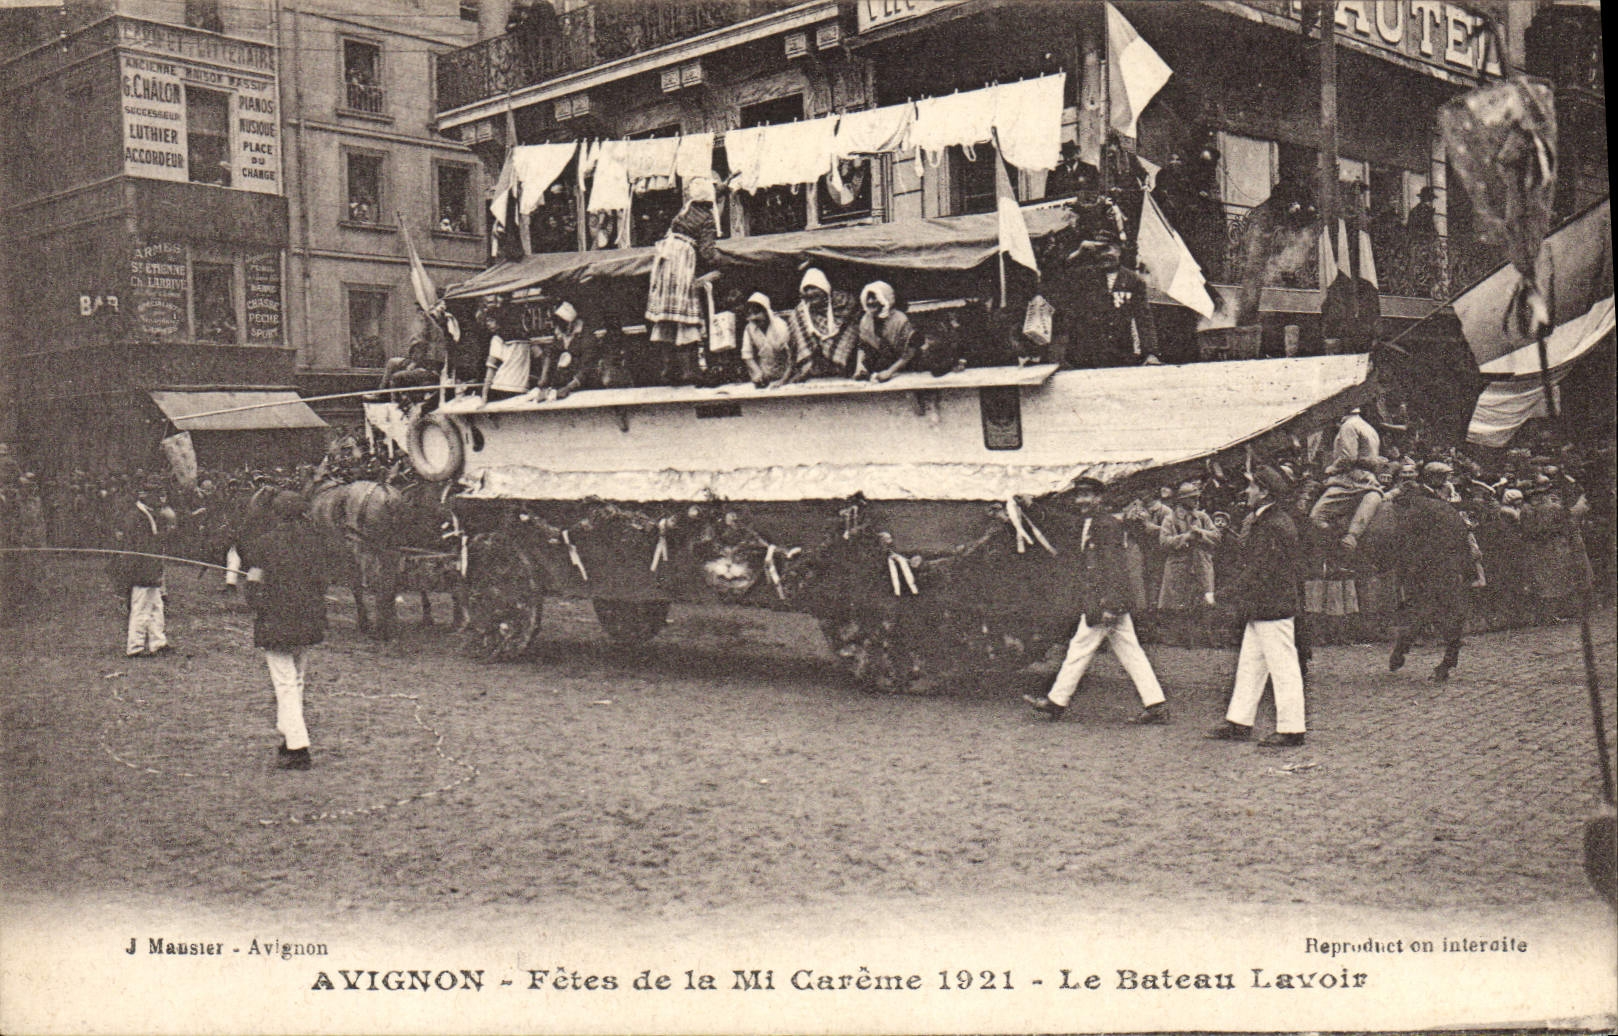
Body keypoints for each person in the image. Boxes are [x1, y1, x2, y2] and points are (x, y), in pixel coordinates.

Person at [1022, 477, 1171, 726]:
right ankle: (1156, 705)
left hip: (1105, 603)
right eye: (1079, 496)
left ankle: (1056, 702)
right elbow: (1062, 522)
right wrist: (1031, 506)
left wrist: (1111, 605)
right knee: (1131, 653)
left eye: (1087, 496)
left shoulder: (1107, 525)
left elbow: (1115, 568)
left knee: (1080, 648)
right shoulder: (1091, 522)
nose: (1081, 501)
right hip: (1107, 603)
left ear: (1099, 498)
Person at [1206, 465, 1307, 748]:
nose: (1247, 491)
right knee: (1251, 665)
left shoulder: (1271, 525)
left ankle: (1292, 729)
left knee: (1283, 667)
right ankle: (1239, 721)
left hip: (1271, 607)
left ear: (1264, 492)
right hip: (1265, 607)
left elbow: (1259, 571)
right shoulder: (1272, 521)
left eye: (1251, 487)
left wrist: (1224, 595)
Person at [243, 490, 329, 771]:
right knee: (297, 680)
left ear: (276, 514)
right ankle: (287, 733)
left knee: (285, 684)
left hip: (276, 621)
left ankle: (298, 747)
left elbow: (254, 585)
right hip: (308, 619)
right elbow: (322, 581)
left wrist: (258, 605)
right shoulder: (315, 542)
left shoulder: (263, 544)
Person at [1386, 462, 1472, 682]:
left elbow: (1402, 541)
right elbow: (1461, 536)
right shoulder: (1442, 505)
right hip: (1449, 567)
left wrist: (1406, 567)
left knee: (1419, 611)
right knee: (1448, 613)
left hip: (1427, 569)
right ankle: (1447, 659)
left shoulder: (1414, 509)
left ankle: (1401, 651)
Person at [646, 176, 720, 386]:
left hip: (666, 257)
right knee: (685, 314)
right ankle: (690, 370)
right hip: (682, 261)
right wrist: (722, 261)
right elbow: (707, 252)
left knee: (667, 315)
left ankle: (669, 369)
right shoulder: (706, 217)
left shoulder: (685, 210)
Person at [1309, 406, 1386, 551]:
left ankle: (1335, 547)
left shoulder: (1348, 426)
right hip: (1367, 478)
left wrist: (1331, 469)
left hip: (1351, 481)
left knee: (1317, 517)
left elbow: (1348, 457)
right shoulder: (1368, 427)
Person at [112, 480, 173, 658]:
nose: (161, 499)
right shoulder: (136, 516)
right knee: (141, 607)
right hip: (141, 569)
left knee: (156, 606)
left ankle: (158, 643)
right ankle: (135, 647)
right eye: (158, 495)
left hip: (151, 567)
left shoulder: (149, 514)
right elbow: (140, 546)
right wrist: (164, 536)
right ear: (146, 496)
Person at [784, 267, 857, 380]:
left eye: (814, 288)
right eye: (806, 289)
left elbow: (853, 330)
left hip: (843, 369)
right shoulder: (800, 312)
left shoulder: (843, 302)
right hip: (814, 371)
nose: (810, 293)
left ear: (824, 288)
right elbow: (793, 346)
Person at [853, 282, 917, 383]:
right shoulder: (866, 319)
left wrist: (889, 372)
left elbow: (910, 352)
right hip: (879, 365)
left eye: (874, 298)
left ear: (885, 299)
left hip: (902, 366)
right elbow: (862, 345)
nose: (870, 301)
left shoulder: (900, 319)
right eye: (868, 298)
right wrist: (859, 366)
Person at [740, 292, 793, 389]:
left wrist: (783, 381)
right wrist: (758, 373)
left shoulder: (780, 326)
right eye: (750, 314)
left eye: (756, 313)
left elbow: (791, 356)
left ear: (766, 311)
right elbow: (747, 355)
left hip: (786, 376)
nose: (753, 317)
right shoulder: (749, 328)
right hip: (766, 376)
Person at [482, 305, 533, 400]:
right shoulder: (526, 340)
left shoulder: (497, 339)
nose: (488, 324)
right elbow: (541, 355)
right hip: (522, 388)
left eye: (491, 320)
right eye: (487, 321)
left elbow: (491, 367)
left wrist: (484, 393)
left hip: (500, 387)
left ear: (500, 321)